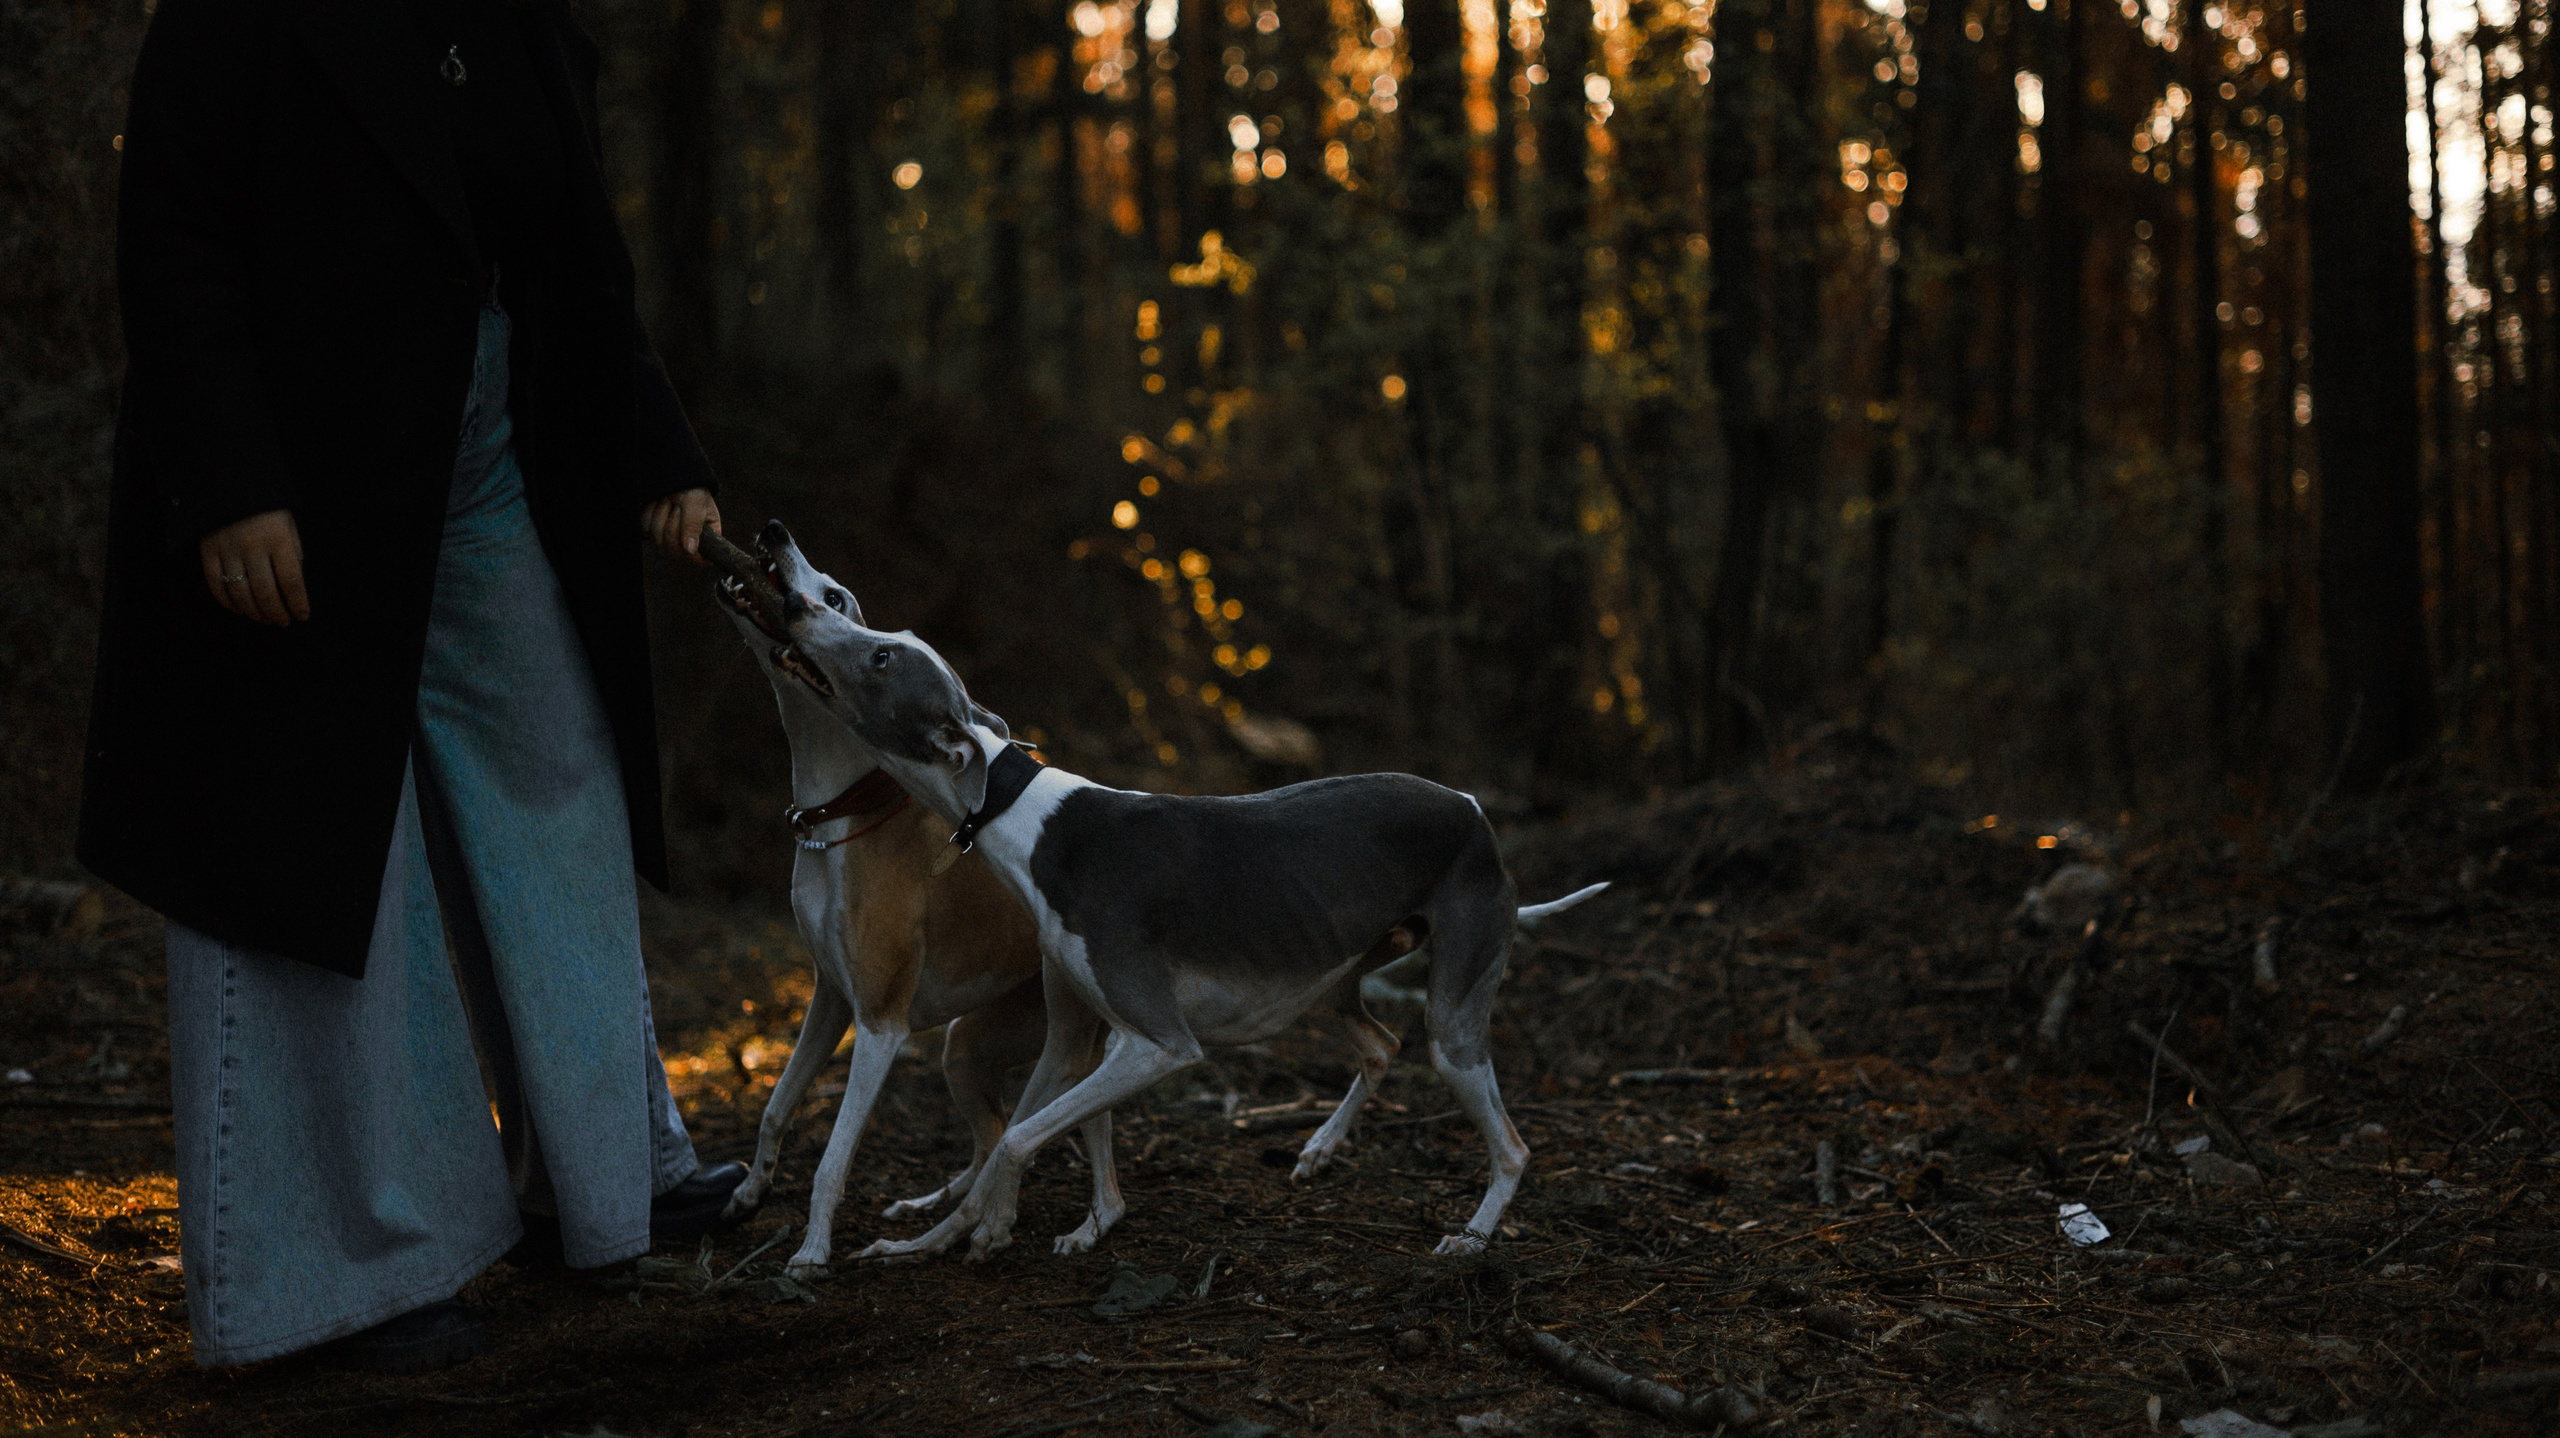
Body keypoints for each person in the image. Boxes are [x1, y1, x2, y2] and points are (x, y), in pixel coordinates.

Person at [78, 0, 745, 1372]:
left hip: (486, 452)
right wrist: (229, 482)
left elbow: (573, 249)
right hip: (293, 476)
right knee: (311, 851)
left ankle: (601, 1162)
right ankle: (327, 1280)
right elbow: (176, 225)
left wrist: (657, 448)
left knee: (559, 765)